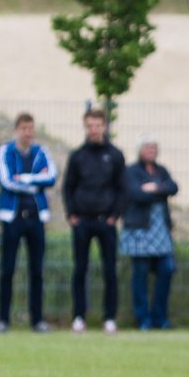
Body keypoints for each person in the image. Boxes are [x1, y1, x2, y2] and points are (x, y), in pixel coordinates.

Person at [64, 108, 126, 334]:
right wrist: (72, 214)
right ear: (85, 127)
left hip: (106, 222)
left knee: (110, 270)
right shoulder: (77, 156)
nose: (94, 129)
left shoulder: (116, 155)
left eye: (98, 125)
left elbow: (122, 188)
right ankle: (79, 316)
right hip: (82, 222)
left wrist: (114, 216)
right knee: (80, 269)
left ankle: (109, 317)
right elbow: (68, 187)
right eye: (90, 125)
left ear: (105, 126)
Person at [0, 112, 57, 333]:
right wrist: (34, 184)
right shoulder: (6, 151)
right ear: (16, 130)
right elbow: (6, 181)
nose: (28, 132)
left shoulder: (42, 152)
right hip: (12, 218)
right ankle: (3, 319)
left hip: (36, 218)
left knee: (37, 271)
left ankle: (37, 320)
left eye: (31, 128)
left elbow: (51, 177)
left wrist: (26, 179)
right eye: (24, 128)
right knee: (7, 269)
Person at [120, 137, 179, 330]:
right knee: (141, 274)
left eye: (154, 147)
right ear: (140, 150)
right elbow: (135, 194)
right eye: (148, 147)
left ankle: (160, 317)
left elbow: (173, 187)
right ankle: (143, 318)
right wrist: (160, 190)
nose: (151, 151)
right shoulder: (131, 171)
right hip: (139, 229)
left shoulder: (161, 170)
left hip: (161, 230)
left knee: (167, 269)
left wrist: (153, 188)